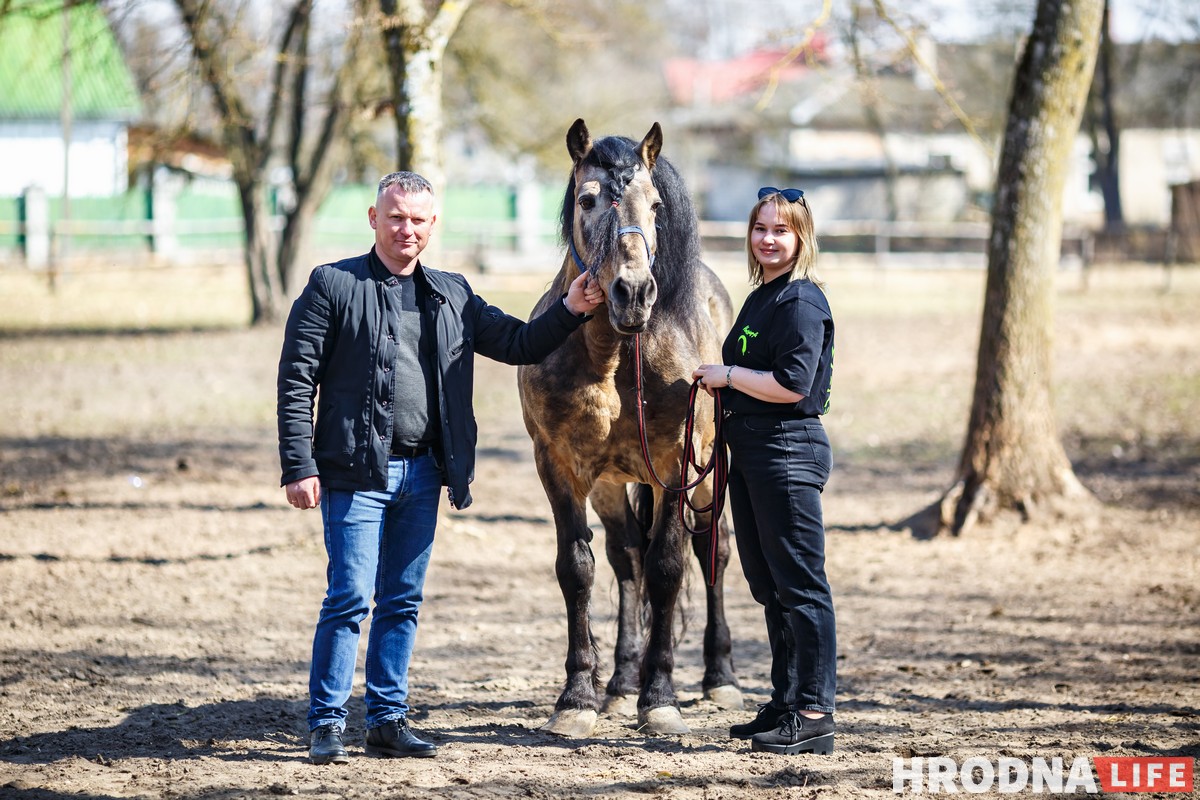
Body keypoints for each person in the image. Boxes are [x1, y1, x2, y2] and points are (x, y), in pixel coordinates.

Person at [277, 171, 602, 765]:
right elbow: (297, 379)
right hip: (354, 474)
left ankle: (386, 720)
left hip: (424, 473)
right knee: (349, 598)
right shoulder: (332, 285)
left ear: (434, 224)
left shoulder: (452, 293)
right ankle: (327, 723)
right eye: (395, 217)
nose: (407, 229)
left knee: (402, 600)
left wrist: (571, 308)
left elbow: (522, 343)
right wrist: (299, 464)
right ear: (374, 219)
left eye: (419, 219)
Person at [692, 187, 836, 756]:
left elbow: (792, 385)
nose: (768, 239)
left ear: (800, 237)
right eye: (760, 229)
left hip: (787, 451)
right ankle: (785, 702)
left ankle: (815, 710)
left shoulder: (801, 303)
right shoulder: (762, 297)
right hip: (751, 454)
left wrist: (725, 376)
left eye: (780, 230)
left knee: (801, 586)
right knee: (769, 585)